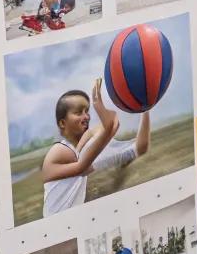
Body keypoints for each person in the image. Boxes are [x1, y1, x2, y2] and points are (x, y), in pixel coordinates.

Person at [40, 79, 149, 216]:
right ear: (62, 122)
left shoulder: (81, 152)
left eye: (87, 111)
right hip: (53, 231)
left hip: (71, 226)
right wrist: (101, 110)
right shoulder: (59, 151)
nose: (86, 116)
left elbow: (140, 147)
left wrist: (146, 108)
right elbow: (81, 166)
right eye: (78, 112)